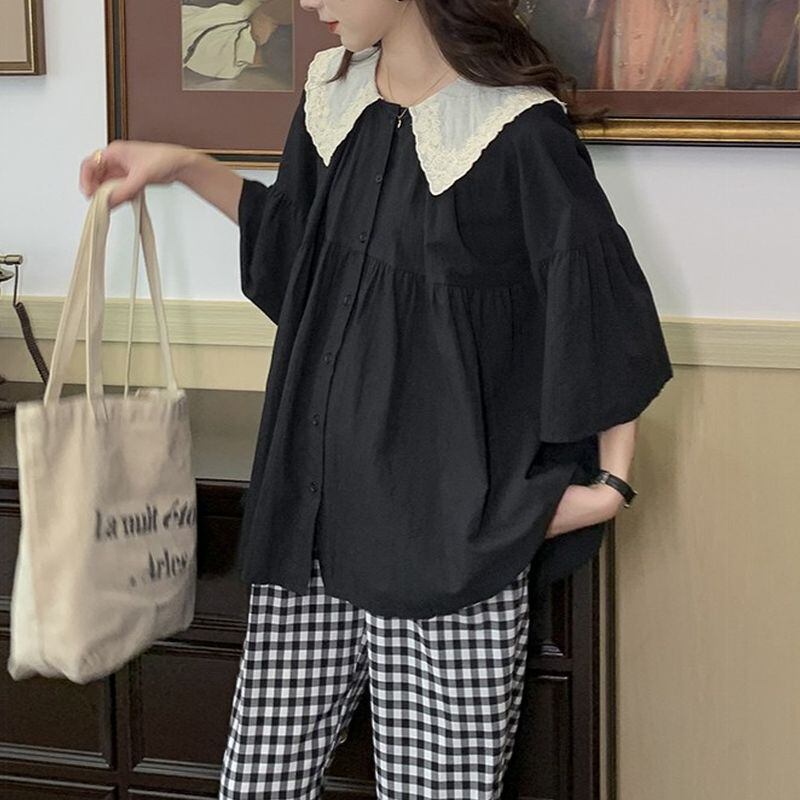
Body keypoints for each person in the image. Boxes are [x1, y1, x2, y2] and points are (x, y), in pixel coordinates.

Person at [79, 1, 673, 797]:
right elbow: (295, 257)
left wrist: (609, 487)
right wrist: (183, 166)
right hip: (312, 522)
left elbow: (600, 311)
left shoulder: (518, 132)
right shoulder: (335, 97)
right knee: (257, 783)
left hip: (446, 546)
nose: (311, 3)